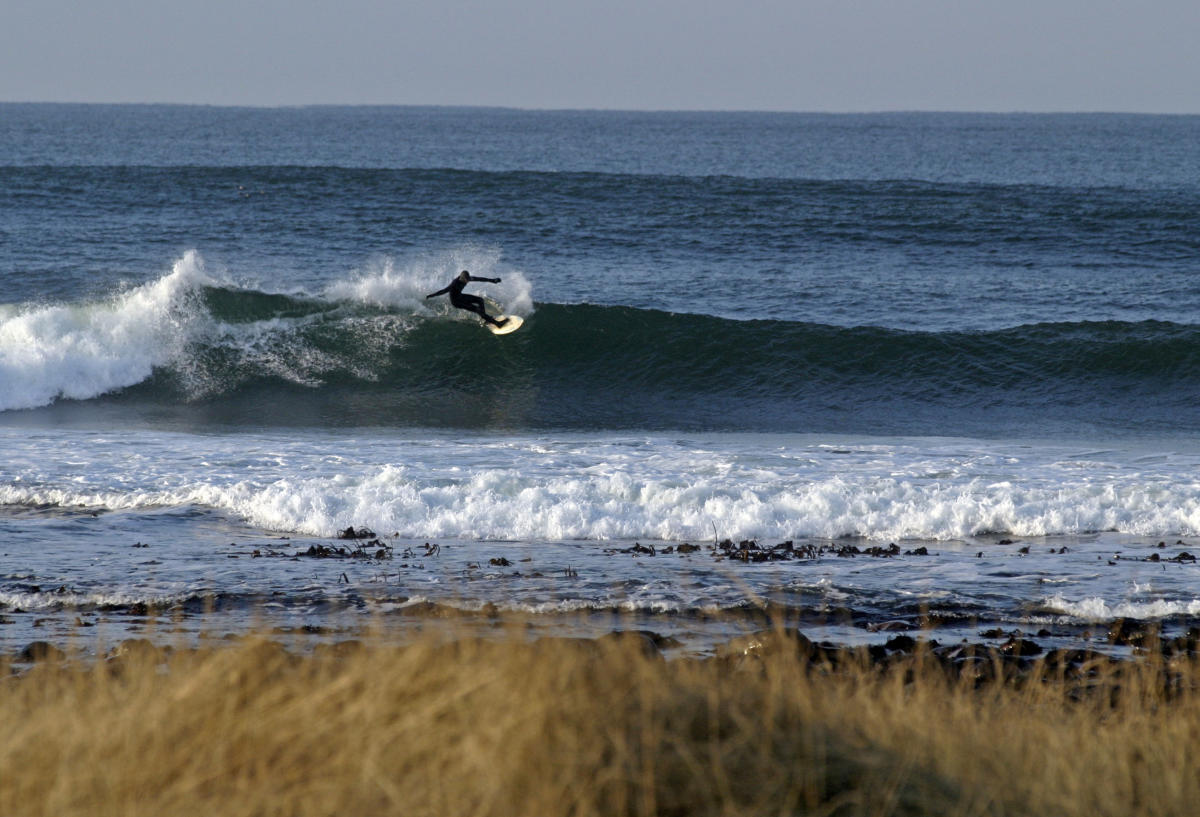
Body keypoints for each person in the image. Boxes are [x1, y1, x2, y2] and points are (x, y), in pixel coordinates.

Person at [426, 270, 508, 327]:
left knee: (480, 300)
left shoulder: (467, 278)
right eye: (466, 280)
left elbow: (479, 279)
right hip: (456, 302)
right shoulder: (454, 284)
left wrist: (493, 280)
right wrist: (431, 295)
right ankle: (498, 324)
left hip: (461, 296)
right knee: (477, 309)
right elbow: (443, 291)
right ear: (462, 278)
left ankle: (485, 319)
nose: (467, 281)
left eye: (468, 279)